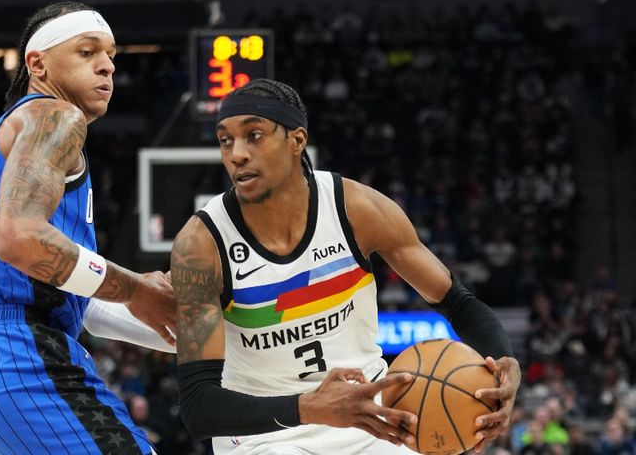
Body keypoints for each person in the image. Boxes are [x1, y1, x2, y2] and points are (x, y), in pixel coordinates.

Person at [171, 79, 521, 454]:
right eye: (226, 141)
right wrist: (310, 407)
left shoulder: (357, 209)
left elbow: (460, 303)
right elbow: (198, 408)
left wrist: (502, 363)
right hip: (265, 434)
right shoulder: (201, 244)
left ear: (297, 140)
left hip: (368, 416)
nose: (236, 154)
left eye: (254, 135)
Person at [0, 1, 176, 455]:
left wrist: (183, 330)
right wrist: (139, 288)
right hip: (13, 356)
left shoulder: (13, 140)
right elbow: (18, 238)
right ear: (37, 63)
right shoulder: (55, 116)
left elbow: (76, 300)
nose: (106, 66)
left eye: (112, 57)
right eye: (86, 51)